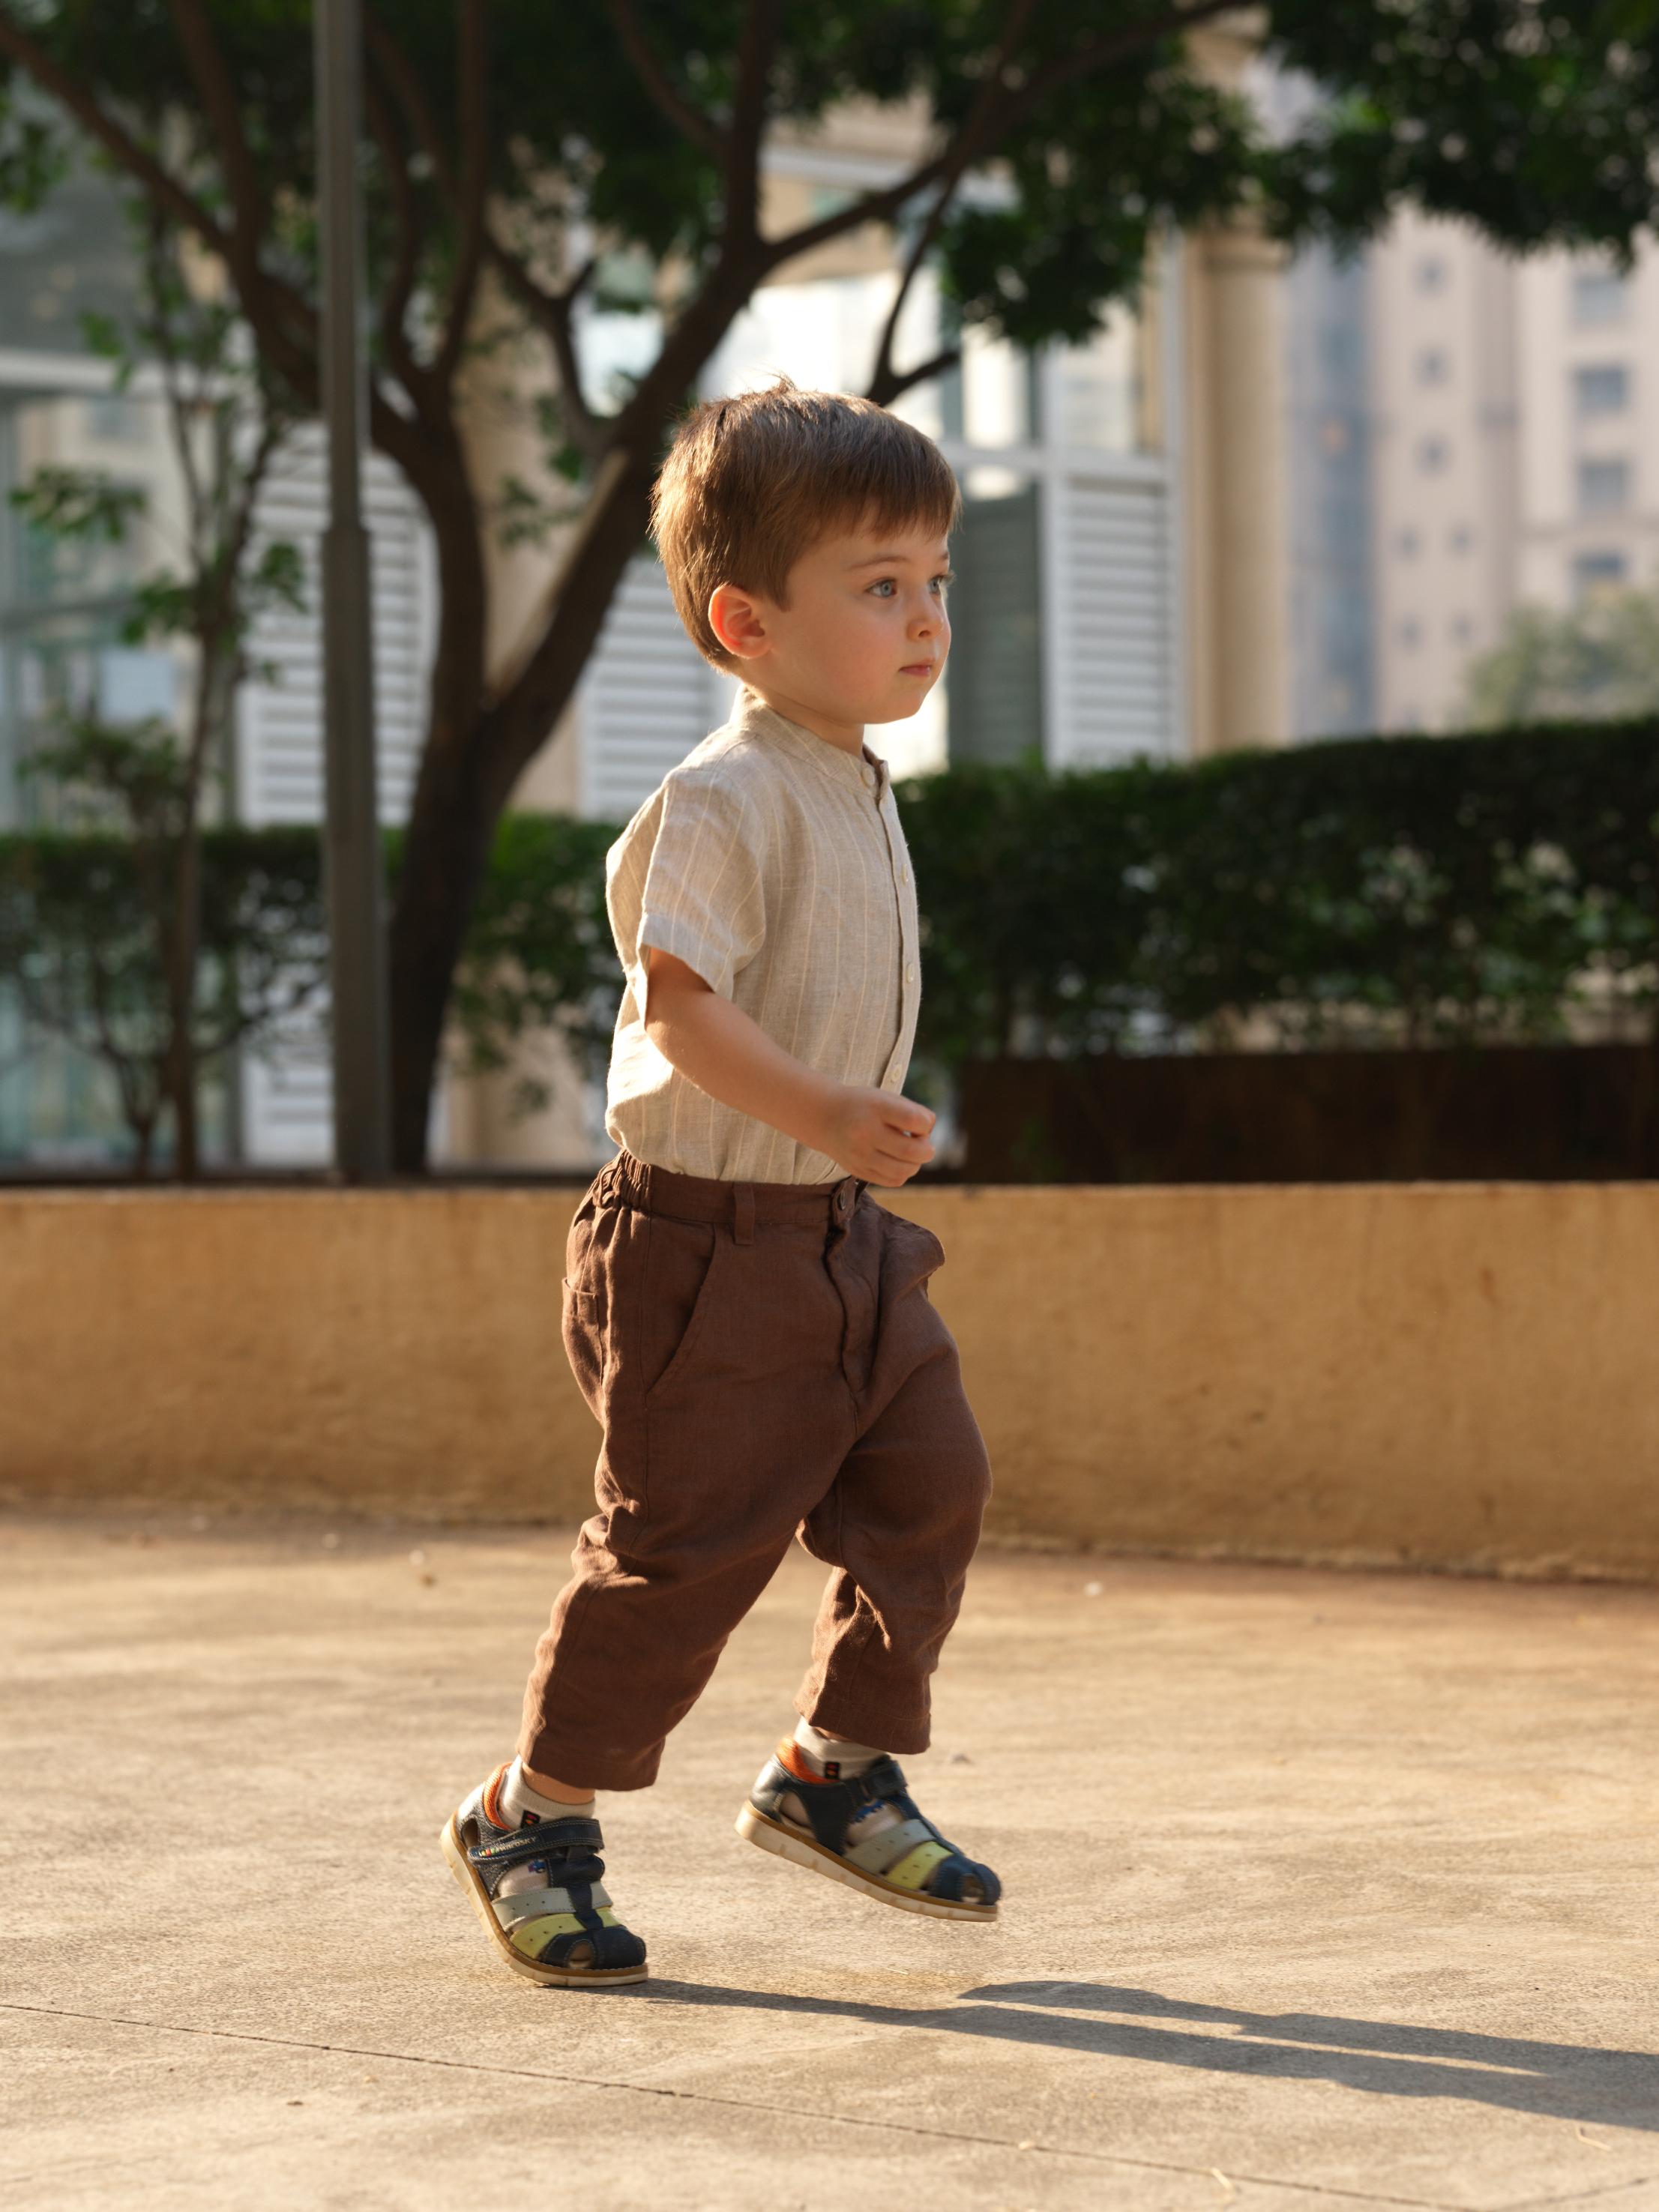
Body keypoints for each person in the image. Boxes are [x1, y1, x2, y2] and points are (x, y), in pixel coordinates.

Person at [442, 378, 999, 1988]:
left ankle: (835, 1771)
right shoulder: (724, 793)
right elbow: (677, 1011)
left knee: (932, 1483)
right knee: (681, 1554)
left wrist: (841, 1146)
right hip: (699, 1248)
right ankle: (529, 1818)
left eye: (936, 581)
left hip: (841, 1241)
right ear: (744, 619)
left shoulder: (859, 782)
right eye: (879, 586)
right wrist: (828, 1107)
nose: (924, 619)